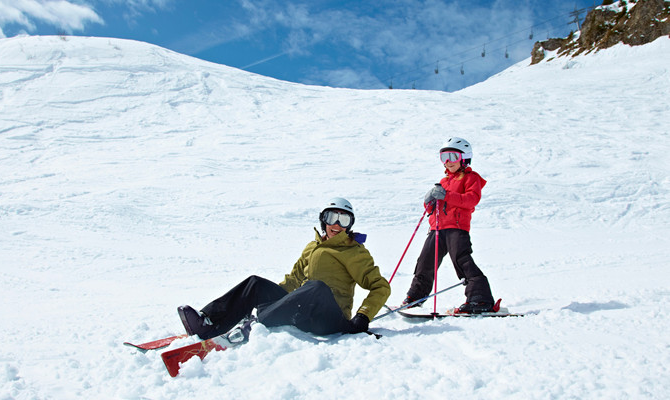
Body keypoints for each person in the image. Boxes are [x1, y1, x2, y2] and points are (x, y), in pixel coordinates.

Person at [178, 197, 391, 340]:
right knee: (255, 284)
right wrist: (267, 299)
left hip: (329, 319)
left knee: (317, 287)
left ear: (349, 225)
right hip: (304, 311)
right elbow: (293, 280)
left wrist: (363, 315)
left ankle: (258, 321)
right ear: (322, 220)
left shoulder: (354, 251)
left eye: (343, 219)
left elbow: (380, 287)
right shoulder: (313, 247)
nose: (336, 224)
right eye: (331, 217)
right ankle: (208, 321)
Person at [402, 137, 495, 313]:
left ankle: (480, 299)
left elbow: (471, 200)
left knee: (462, 260)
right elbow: (434, 208)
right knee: (424, 261)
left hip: (457, 228)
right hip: (437, 229)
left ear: (464, 157)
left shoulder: (471, 178)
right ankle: (416, 296)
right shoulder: (443, 182)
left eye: (452, 156)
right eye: (443, 156)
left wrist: (445, 196)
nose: (447, 161)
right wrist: (429, 201)